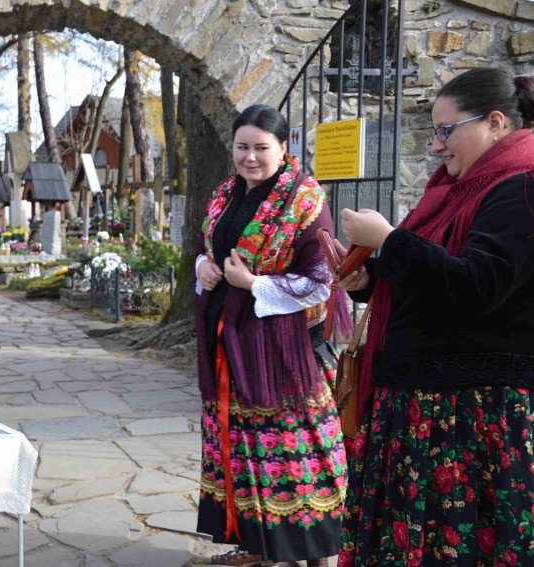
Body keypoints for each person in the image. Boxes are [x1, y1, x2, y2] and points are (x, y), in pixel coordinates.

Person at [335, 68, 534, 566]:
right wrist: (371, 278)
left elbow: (476, 286)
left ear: (494, 123)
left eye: (446, 131)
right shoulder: (460, 190)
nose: (436, 147)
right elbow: (438, 274)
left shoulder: (520, 188)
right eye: (435, 132)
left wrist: (388, 239)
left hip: (470, 421)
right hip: (429, 412)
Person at [194, 105, 349, 567]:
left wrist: (254, 285)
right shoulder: (225, 195)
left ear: (284, 148)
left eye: (262, 148)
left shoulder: (306, 202)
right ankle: (262, 546)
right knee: (246, 450)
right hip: (228, 348)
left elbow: (320, 281)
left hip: (281, 355)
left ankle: (319, 554)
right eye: (243, 147)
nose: (251, 157)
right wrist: (203, 268)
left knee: (296, 454)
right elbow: (211, 252)